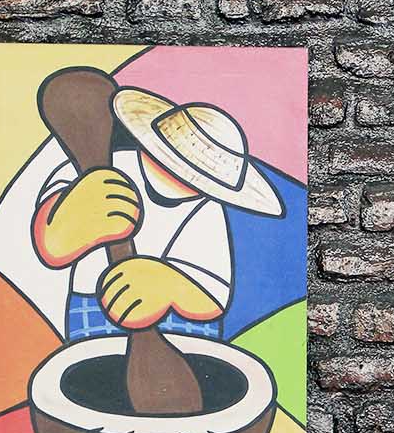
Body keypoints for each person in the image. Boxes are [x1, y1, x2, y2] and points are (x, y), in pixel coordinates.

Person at [30, 85, 283, 341]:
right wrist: (74, 216)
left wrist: (167, 285)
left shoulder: (205, 210)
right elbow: (49, 244)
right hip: (93, 307)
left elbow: (213, 295)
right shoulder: (103, 165)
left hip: (180, 327)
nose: (180, 178)